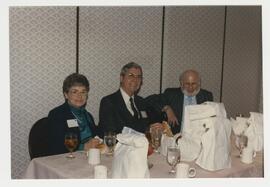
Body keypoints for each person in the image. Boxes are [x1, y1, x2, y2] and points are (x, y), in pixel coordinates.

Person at [99, 62, 163, 135]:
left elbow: (151, 122)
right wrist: (148, 129)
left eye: (138, 77)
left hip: (143, 145)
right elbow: (111, 132)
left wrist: (157, 127)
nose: (135, 80)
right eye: (131, 76)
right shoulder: (109, 102)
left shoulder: (141, 102)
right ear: (121, 78)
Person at [47, 73, 102, 156]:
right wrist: (83, 147)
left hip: (88, 156)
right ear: (66, 94)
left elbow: (96, 136)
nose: (80, 96)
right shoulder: (57, 114)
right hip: (67, 159)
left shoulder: (88, 115)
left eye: (83, 92)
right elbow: (56, 146)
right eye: (74, 92)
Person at [146, 69, 213, 134]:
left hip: (199, 135)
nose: (191, 87)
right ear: (181, 83)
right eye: (187, 84)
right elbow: (149, 100)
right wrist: (167, 108)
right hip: (177, 136)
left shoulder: (206, 96)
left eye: (194, 84)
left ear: (199, 83)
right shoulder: (171, 94)